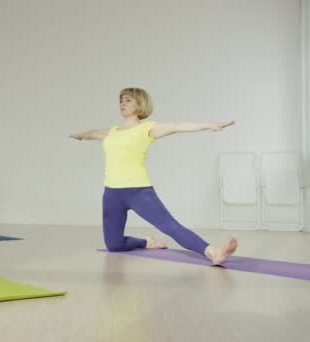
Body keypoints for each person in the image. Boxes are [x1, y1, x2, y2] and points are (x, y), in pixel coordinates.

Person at [70, 87, 238, 265]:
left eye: (128, 100)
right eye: (121, 100)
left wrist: (209, 125)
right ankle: (147, 242)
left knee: (170, 226)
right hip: (112, 194)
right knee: (114, 245)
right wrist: (82, 135)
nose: (122, 103)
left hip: (138, 191)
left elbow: (176, 126)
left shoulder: (147, 128)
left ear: (140, 104)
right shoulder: (111, 132)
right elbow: (94, 133)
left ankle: (213, 252)